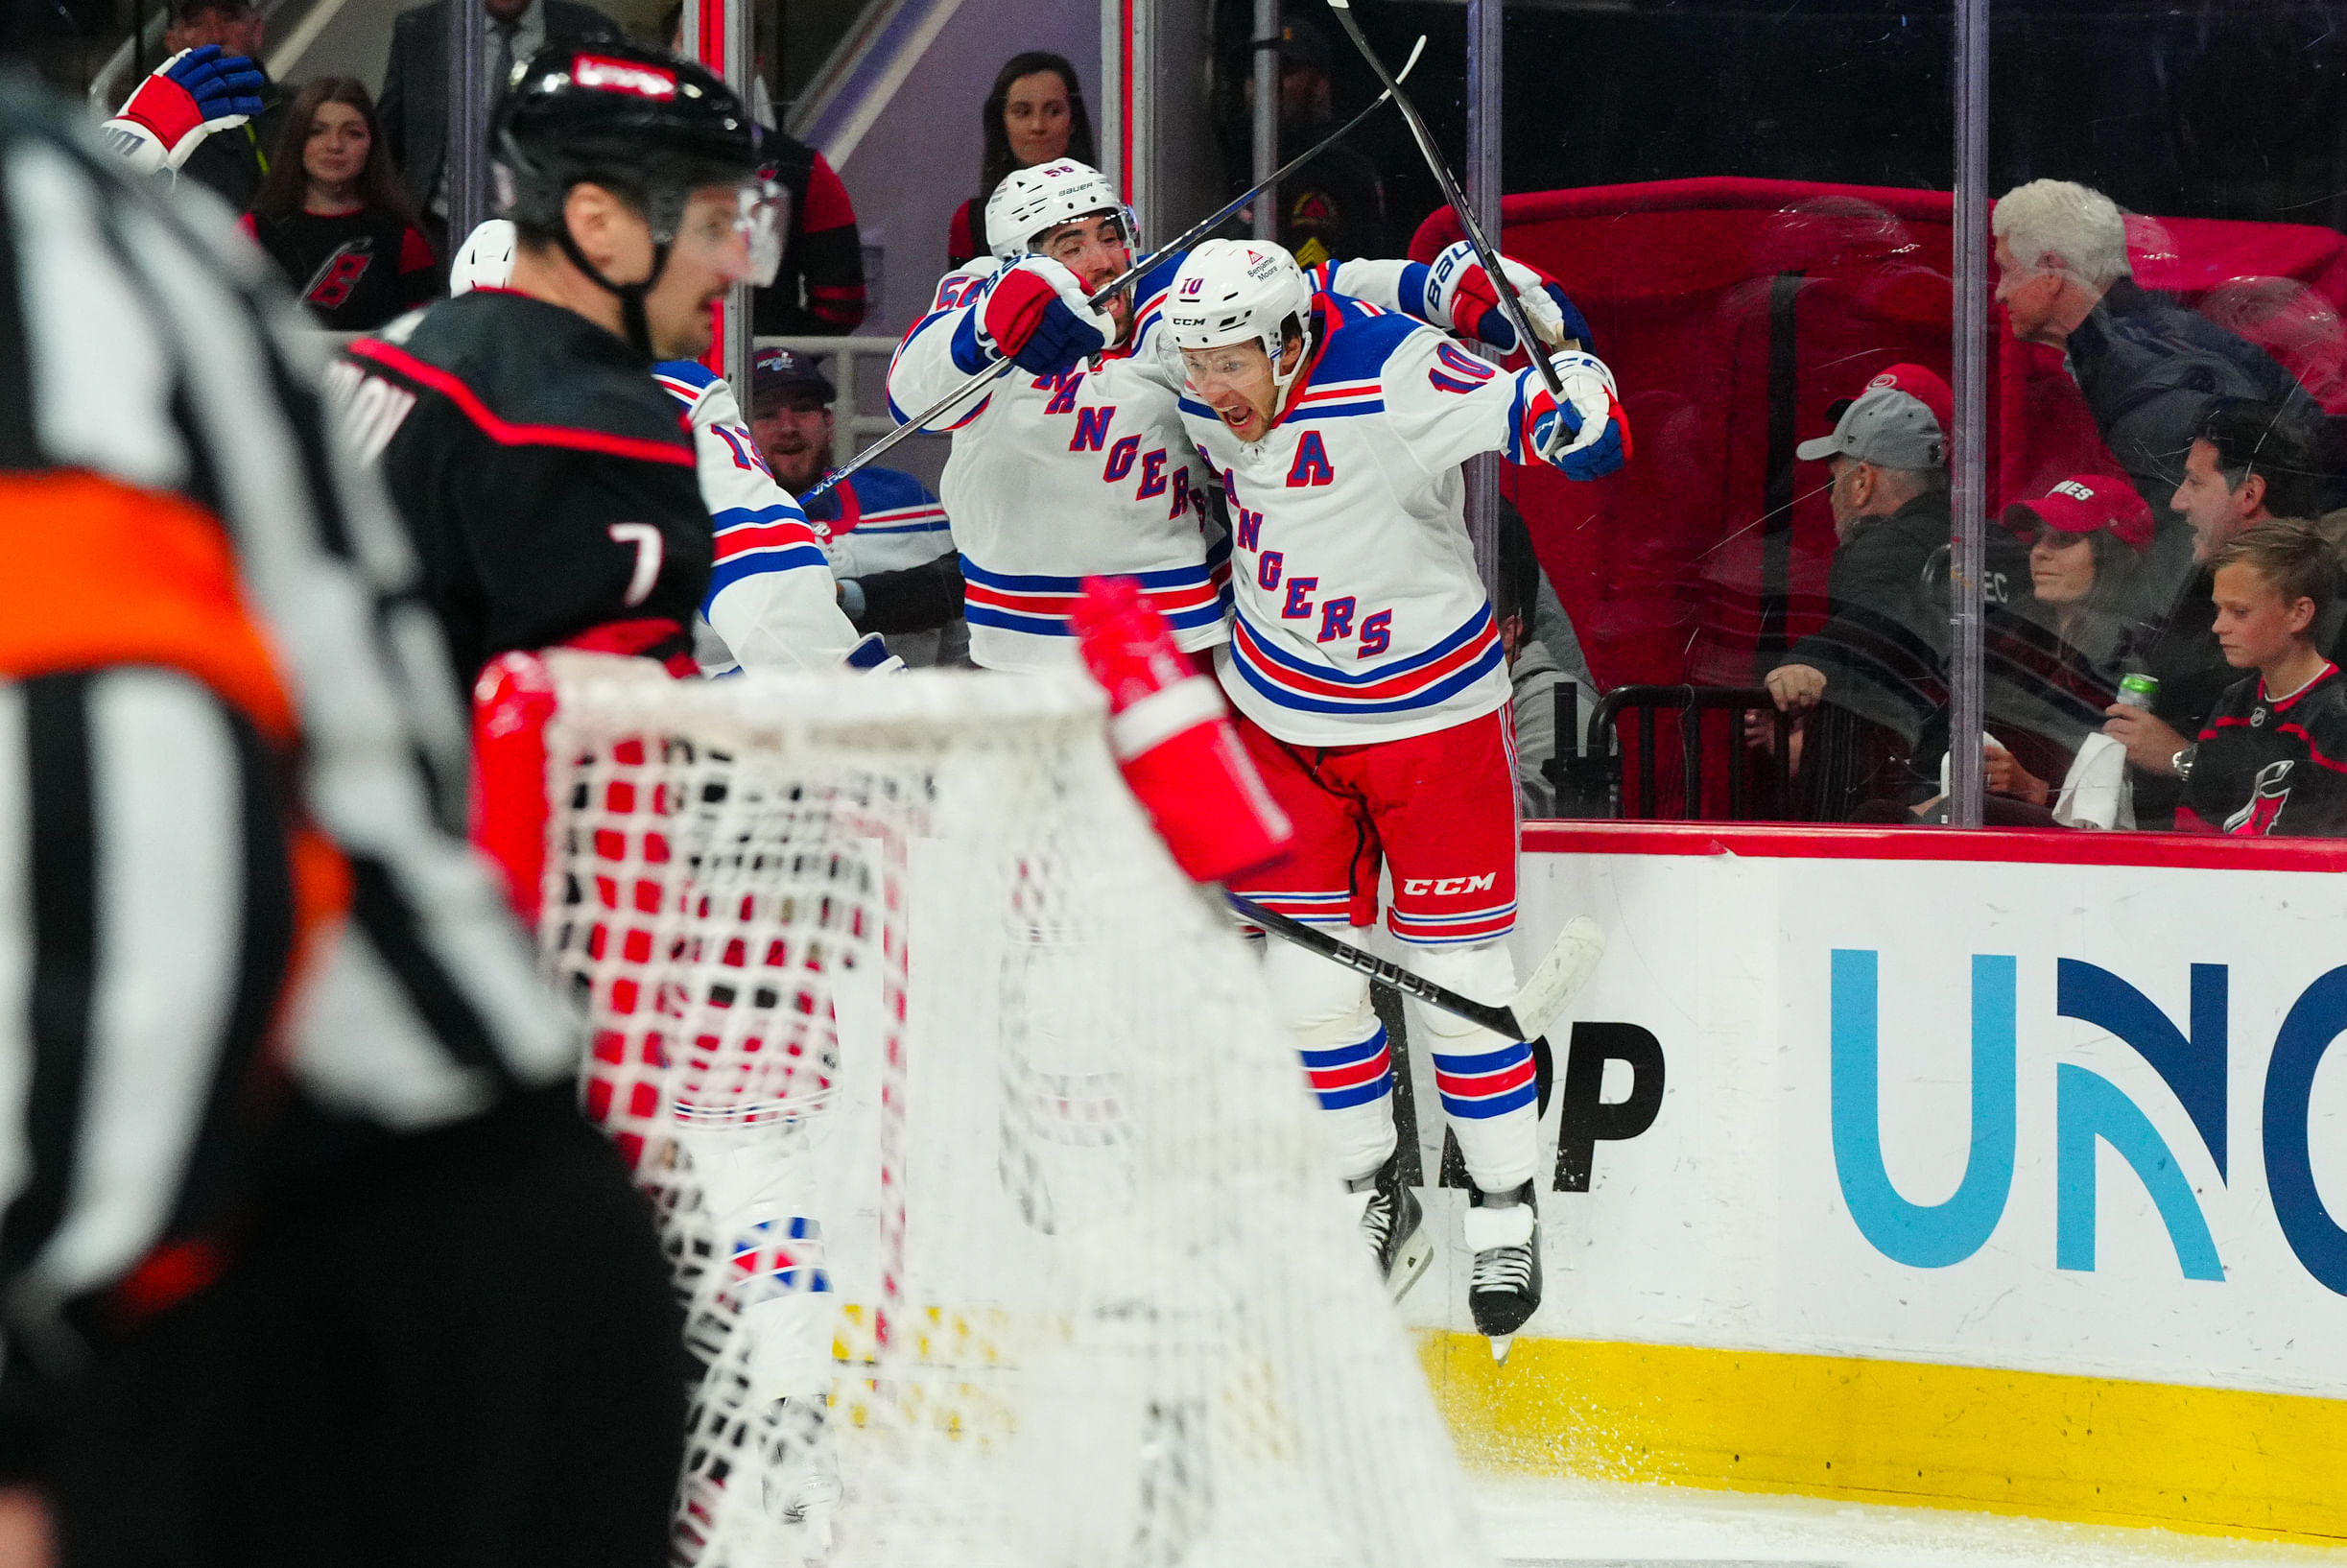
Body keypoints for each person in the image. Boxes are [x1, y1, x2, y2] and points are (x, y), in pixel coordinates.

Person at [0, 69, 683, 1565]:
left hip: (326, 1270)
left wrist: (36, 1397)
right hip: (306, 1214)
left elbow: (139, 844)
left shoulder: (38, 243)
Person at [1164, 237, 1624, 1341]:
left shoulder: (1400, 376)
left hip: (1430, 720)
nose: (1214, 389)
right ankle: (1369, 1188)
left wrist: (1575, 373)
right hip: (1279, 711)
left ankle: (1504, 1208)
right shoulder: (1209, 362)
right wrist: (1436, 273)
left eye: (1232, 362)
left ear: (1283, 344)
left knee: (1457, 973)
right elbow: (1337, 277)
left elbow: (1586, 446)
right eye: (1197, 365)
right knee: (1306, 985)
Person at [888, 155, 1587, 675]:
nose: (1105, 260)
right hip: (1025, 656)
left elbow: (1312, 295)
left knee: (1191, 864)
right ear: (1017, 266)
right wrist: (986, 330)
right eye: (1071, 247)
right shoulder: (982, 307)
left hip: (1184, 637)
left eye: (1111, 233)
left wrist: (1430, 286)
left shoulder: (1175, 291)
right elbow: (910, 395)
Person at [331, 41, 771, 702]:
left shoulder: (399, 348)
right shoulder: (591, 423)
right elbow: (619, 757)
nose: (733, 264)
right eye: (711, 225)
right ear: (596, 223)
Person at [1992, 178, 2334, 609]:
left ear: (2051, 269)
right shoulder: (2146, 342)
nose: (2000, 292)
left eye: (2008, 269)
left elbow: (2195, 545)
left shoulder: (2144, 377)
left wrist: (2138, 650)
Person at [2106, 400, 2336, 824]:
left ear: (2248, 495)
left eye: (2194, 482)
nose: (2177, 502)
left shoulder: (2335, 631)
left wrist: (2182, 759)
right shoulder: (2195, 587)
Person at [1756, 366, 1959, 820]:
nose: (1830, 498)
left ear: (1863, 481)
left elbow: (1871, 631)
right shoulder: (1986, 540)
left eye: (1833, 482)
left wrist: (1804, 664)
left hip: (1918, 797)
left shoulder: (1882, 548)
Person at [748, 347, 967, 666]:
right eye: (767, 413)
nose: (788, 427)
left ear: (828, 422)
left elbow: (959, 622)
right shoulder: (711, 517)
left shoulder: (901, 498)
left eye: (803, 409)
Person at [660, 6, 866, 336]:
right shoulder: (626, 161)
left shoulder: (800, 168)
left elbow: (842, 305)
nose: (704, 61)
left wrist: (775, 366)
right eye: (687, 43)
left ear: (755, 60)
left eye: (721, 45)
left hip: (756, 381)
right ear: (666, 57)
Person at [1975, 474, 2154, 811]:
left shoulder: (2142, 658)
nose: (2039, 553)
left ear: (2114, 556)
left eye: (2064, 539)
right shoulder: (2007, 634)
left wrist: (2038, 790)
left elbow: (2132, 802)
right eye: (2038, 538)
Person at [377, 0, 616, 249]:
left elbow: (607, 139)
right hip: (441, 232)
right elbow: (387, 141)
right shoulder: (421, 30)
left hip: (552, 238)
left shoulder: (590, 30)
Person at [2175, 519, 2347, 836]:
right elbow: (2192, 830)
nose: (2218, 626)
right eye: (2218, 609)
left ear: (2299, 614)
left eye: (2239, 612)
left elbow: (2328, 860)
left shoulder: (2335, 720)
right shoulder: (2234, 704)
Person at [239, 78, 438, 332]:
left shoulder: (404, 239)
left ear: (372, 145)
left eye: (352, 133)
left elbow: (426, 340)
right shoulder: (253, 232)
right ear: (297, 142)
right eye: (317, 131)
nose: (334, 145)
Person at [1239, 14, 1388, 266]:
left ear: (1319, 85)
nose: (1266, 83)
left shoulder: (1337, 168)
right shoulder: (1243, 163)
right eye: (1256, 71)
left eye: (1285, 70)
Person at [946, 51, 1098, 272]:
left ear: (1073, 120)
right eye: (1022, 112)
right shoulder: (970, 222)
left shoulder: (1104, 205)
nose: (1038, 126)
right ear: (1002, 123)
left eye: (1053, 111)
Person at [150, 0, 285, 209]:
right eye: (196, 22)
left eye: (229, 16)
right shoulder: (156, 149)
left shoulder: (312, 118)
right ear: (173, 44)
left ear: (257, 30)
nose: (216, 35)